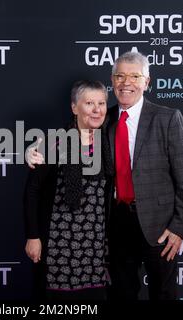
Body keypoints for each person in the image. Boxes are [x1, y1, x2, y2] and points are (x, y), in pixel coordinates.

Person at [107, 51, 183, 300]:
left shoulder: (167, 118)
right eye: (120, 76)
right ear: (112, 81)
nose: (127, 83)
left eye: (135, 76)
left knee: (164, 293)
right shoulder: (104, 119)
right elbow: (69, 140)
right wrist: (34, 150)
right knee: (121, 293)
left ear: (147, 82)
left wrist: (179, 228)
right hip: (116, 222)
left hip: (160, 225)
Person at [23, 80, 114, 300]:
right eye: (89, 103)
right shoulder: (54, 142)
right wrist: (33, 236)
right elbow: (32, 191)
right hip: (58, 246)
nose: (97, 109)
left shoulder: (110, 140)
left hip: (96, 246)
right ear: (74, 107)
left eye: (101, 103)